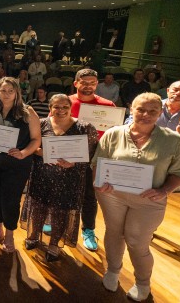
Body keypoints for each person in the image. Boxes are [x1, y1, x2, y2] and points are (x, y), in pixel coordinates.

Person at [93, 92, 180, 301]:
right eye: (140, 109)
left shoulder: (173, 140)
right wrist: (99, 182)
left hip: (149, 200)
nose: (145, 114)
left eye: (152, 111)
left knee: (137, 241)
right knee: (114, 233)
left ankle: (143, 282)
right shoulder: (114, 133)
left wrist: (164, 191)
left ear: (160, 112)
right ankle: (113, 270)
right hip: (113, 197)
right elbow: (97, 164)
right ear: (131, 109)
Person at [21, 94, 99, 261]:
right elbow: (30, 145)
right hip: (42, 175)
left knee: (60, 213)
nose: (61, 110)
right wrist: (43, 152)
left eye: (65, 107)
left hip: (69, 179)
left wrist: (73, 164)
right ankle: (34, 236)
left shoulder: (85, 127)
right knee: (38, 208)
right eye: (57, 107)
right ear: (50, 108)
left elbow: (90, 154)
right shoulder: (41, 124)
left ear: (71, 108)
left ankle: (54, 244)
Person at [0, 77, 41, 253]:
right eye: (3, 90)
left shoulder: (27, 112)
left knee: (10, 200)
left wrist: (24, 153)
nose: (6, 94)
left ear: (17, 93)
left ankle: (10, 235)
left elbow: (36, 139)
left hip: (17, 164)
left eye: (10, 91)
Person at [68, 68, 116, 251]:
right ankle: (58, 220)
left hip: (96, 154)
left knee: (90, 194)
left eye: (92, 83)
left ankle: (88, 229)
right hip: (70, 152)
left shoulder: (108, 105)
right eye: (84, 82)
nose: (88, 86)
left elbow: (114, 134)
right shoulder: (66, 102)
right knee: (64, 189)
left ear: (97, 84)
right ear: (76, 83)